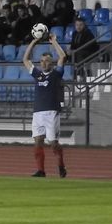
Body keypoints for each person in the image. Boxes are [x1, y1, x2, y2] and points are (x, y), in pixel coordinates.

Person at [23, 31, 68, 178]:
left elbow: (62, 56)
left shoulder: (56, 74)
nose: (44, 63)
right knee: (37, 142)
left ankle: (61, 164)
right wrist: (34, 42)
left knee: (53, 143)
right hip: (38, 112)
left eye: (47, 61)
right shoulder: (38, 74)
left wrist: (53, 41)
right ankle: (41, 170)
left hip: (51, 112)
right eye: (42, 61)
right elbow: (25, 59)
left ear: (51, 62)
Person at [68, 16, 98, 80]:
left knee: (79, 53)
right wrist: (70, 50)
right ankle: (71, 76)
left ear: (84, 25)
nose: (78, 27)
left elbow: (88, 46)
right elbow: (73, 45)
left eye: (80, 25)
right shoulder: (74, 33)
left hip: (89, 52)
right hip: (78, 52)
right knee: (66, 54)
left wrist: (75, 50)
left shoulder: (88, 33)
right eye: (77, 25)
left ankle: (81, 75)